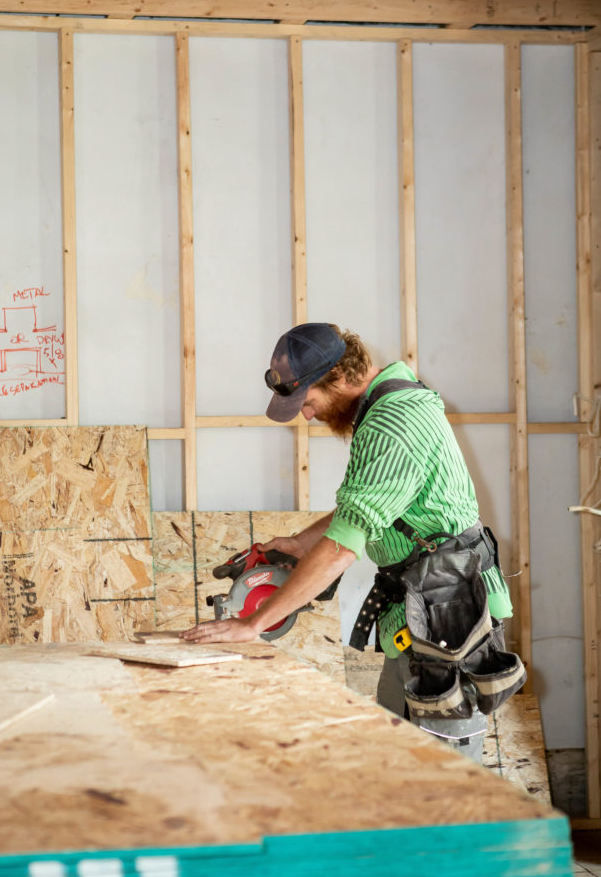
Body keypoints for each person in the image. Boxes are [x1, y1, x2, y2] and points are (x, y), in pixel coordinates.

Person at [182, 322, 518, 761]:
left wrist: (254, 622)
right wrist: (303, 543)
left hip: (449, 612)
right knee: (399, 752)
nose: (306, 414)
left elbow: (344, 544)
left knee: (444, 773)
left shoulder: (393, 422)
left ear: (340, 376)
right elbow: (372, 504)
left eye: (309, 400)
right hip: (420, 607)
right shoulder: (388, 404)